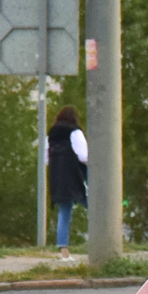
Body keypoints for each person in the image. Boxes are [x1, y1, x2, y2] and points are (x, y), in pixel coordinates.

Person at [46, 105, 88, 261]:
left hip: (57, 177)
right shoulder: (75, 132)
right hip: (75, 175)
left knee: (64, 211)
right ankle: (105, 240)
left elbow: (46, 158)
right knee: (96, 206)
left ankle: (64, 251)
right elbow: (83, 156)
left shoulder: (51, 134)